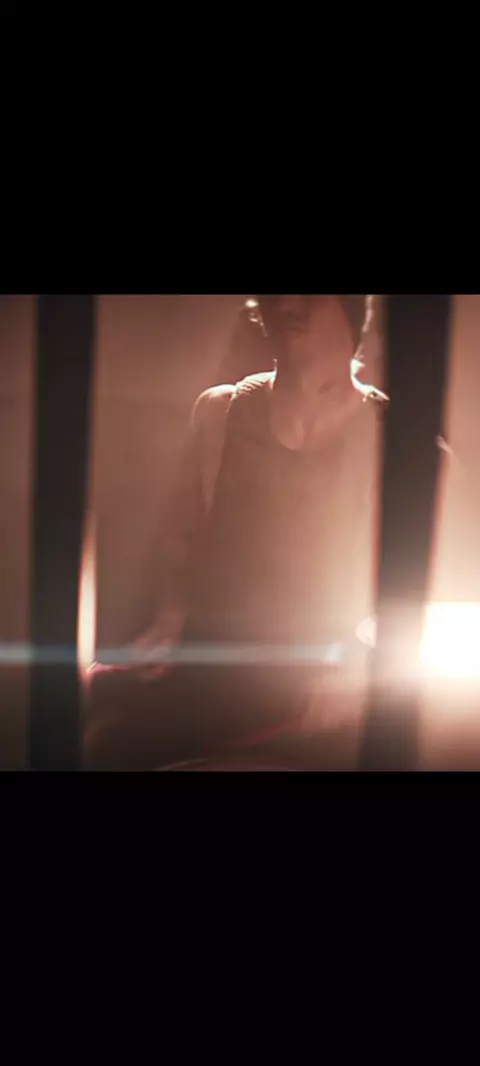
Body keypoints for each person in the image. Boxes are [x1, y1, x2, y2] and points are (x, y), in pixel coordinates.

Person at [85, 295, 388, 770]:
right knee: (89, 721)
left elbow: (415, 588)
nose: (290, 304)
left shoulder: (394, 435)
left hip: (320, 682)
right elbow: (183, 536)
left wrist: (361, 663)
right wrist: (170, 617)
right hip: (210, 664)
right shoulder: (220, 412)